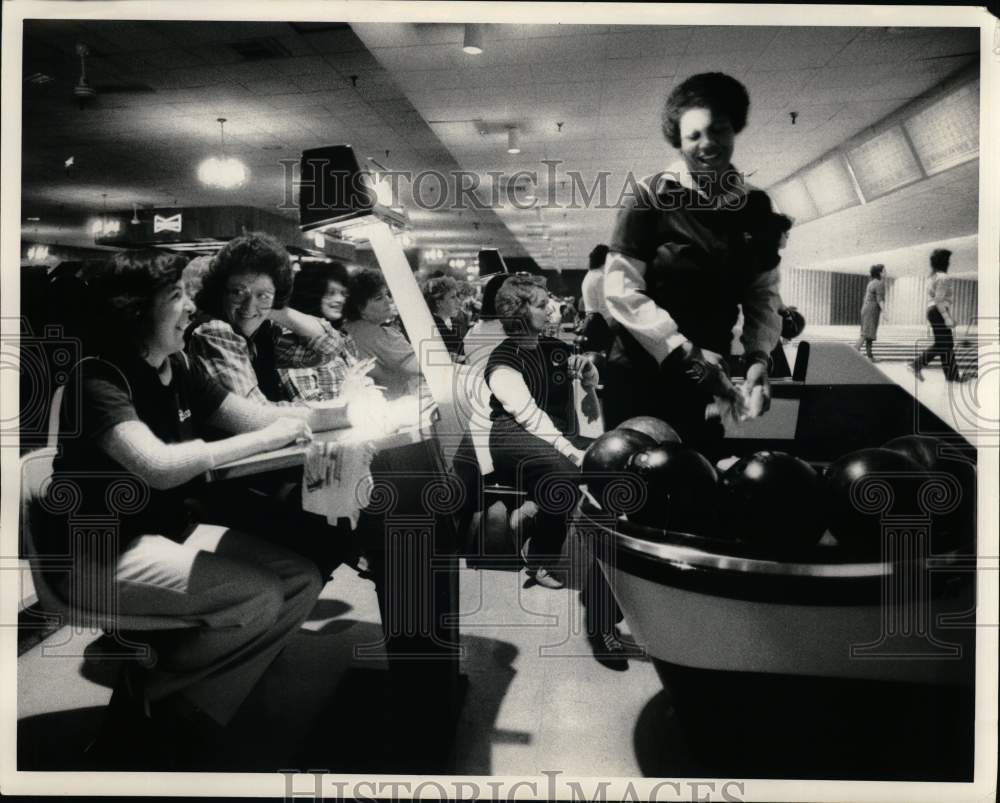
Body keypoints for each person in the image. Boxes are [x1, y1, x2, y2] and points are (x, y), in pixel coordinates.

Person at [42, 250, 323, 766]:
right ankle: (163, 708)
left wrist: (351, 417)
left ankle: (166, 700)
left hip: (164, 535)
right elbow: (158, 466)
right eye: (177, 297)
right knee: (258, 597)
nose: (192, 307)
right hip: (97, 555)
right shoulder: (98, 378)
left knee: (303, 580)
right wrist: (263, 440)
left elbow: (255, 417)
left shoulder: (180, 365)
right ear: (134, 309)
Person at [603, 72, 783, 457]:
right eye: (694, 135)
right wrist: (687, 354)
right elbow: (620, 291)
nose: (708, 145)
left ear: (735, 128)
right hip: (642, 374)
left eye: (719, 130)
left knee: (699, 482)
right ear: (678, 140)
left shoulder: (756, 207)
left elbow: (762, 294)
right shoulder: (649, 198)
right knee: (639, 486)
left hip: (710, 379)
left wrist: (758, 360)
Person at [484, 275, 598, 589]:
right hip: (512, 435)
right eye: (541, 305)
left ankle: (533, 509)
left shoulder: (555, 348)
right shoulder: (502, 361)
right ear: (518, 313)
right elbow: (531, 418)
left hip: (551, 434)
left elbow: (583, 401)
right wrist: (573, 453)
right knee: (564, 476)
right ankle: (540, 562)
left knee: (600, 458)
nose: (551, 310)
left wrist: (588, 373)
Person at [187, 232, 346, 405]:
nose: (248, 307)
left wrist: (270, 306)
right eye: (238, 292)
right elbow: (254, 413)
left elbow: (328, 349)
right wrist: (328, 412)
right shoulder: (214, 330)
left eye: (262, 295)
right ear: (221, 292)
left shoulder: (261, 333)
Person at [280, 260, 367, 402]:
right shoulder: (291, 341)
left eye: (343, 293)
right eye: (331, 293)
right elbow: (310, 406)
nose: (339, 299)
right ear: (311, 295)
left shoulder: (344, 336)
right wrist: (350, 394)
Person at [342, 268, 421, 400]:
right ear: (360, 307)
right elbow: (425, 367)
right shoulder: (378, 335)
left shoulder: (346, 329)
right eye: (379, 298)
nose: (388, 301)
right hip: (393, 406)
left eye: (387, 295)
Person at [910, 248, 962, 382]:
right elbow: (939, 300)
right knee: (943, 344)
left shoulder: (932, 276)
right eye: (948, 260)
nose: (949, 263)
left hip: (933, 310)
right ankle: (916, 364)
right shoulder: (943, 277)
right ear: (944, 262)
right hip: (938, 310)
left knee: (946, 343)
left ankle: (953, 376)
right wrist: (946, 317)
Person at [422, 275, 466, 362]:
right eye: (453, 297)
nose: (459, 301)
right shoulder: (437, 330)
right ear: (438, 302)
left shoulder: (446, 323)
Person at [857, 264, 887, 362]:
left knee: (868, 334)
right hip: (872, 310)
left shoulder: (871, 283)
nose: (886, 273)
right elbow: (880, 300)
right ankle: (853, 352)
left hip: (866, 308)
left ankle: (870, 357)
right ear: (879, 273)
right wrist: (885, 312)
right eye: (884, 271)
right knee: (866, 334)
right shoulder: (879, 283)